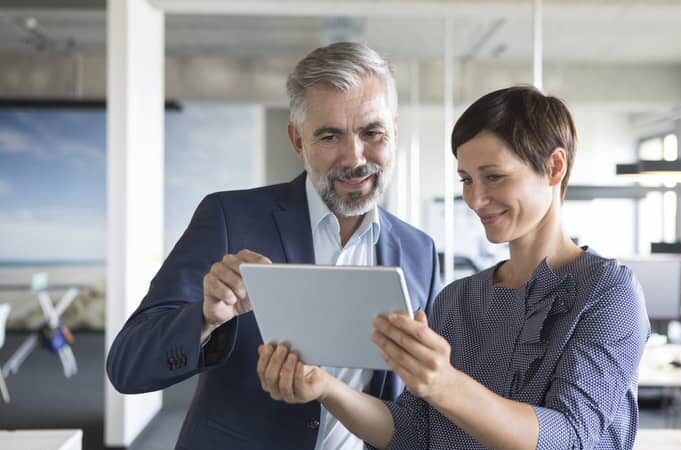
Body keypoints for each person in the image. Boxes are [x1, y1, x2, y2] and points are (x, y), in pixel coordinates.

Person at [257, 86, 651, 450]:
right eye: (466, 179)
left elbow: (570, 436)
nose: (475, 199)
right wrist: (325, 387)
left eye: (494, 177)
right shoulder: (459, 299)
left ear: (554, 167)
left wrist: (444, 383)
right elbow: (410, 431)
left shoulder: (607, 291)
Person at [106, 42, 441, 450]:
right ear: (298, 142)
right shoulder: (229, 218)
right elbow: (127, 366)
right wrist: (206, 320)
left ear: (394, 132)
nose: (355, 158)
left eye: (372, 133)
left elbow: (419, 402)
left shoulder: (419, 251)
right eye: (330, 135)